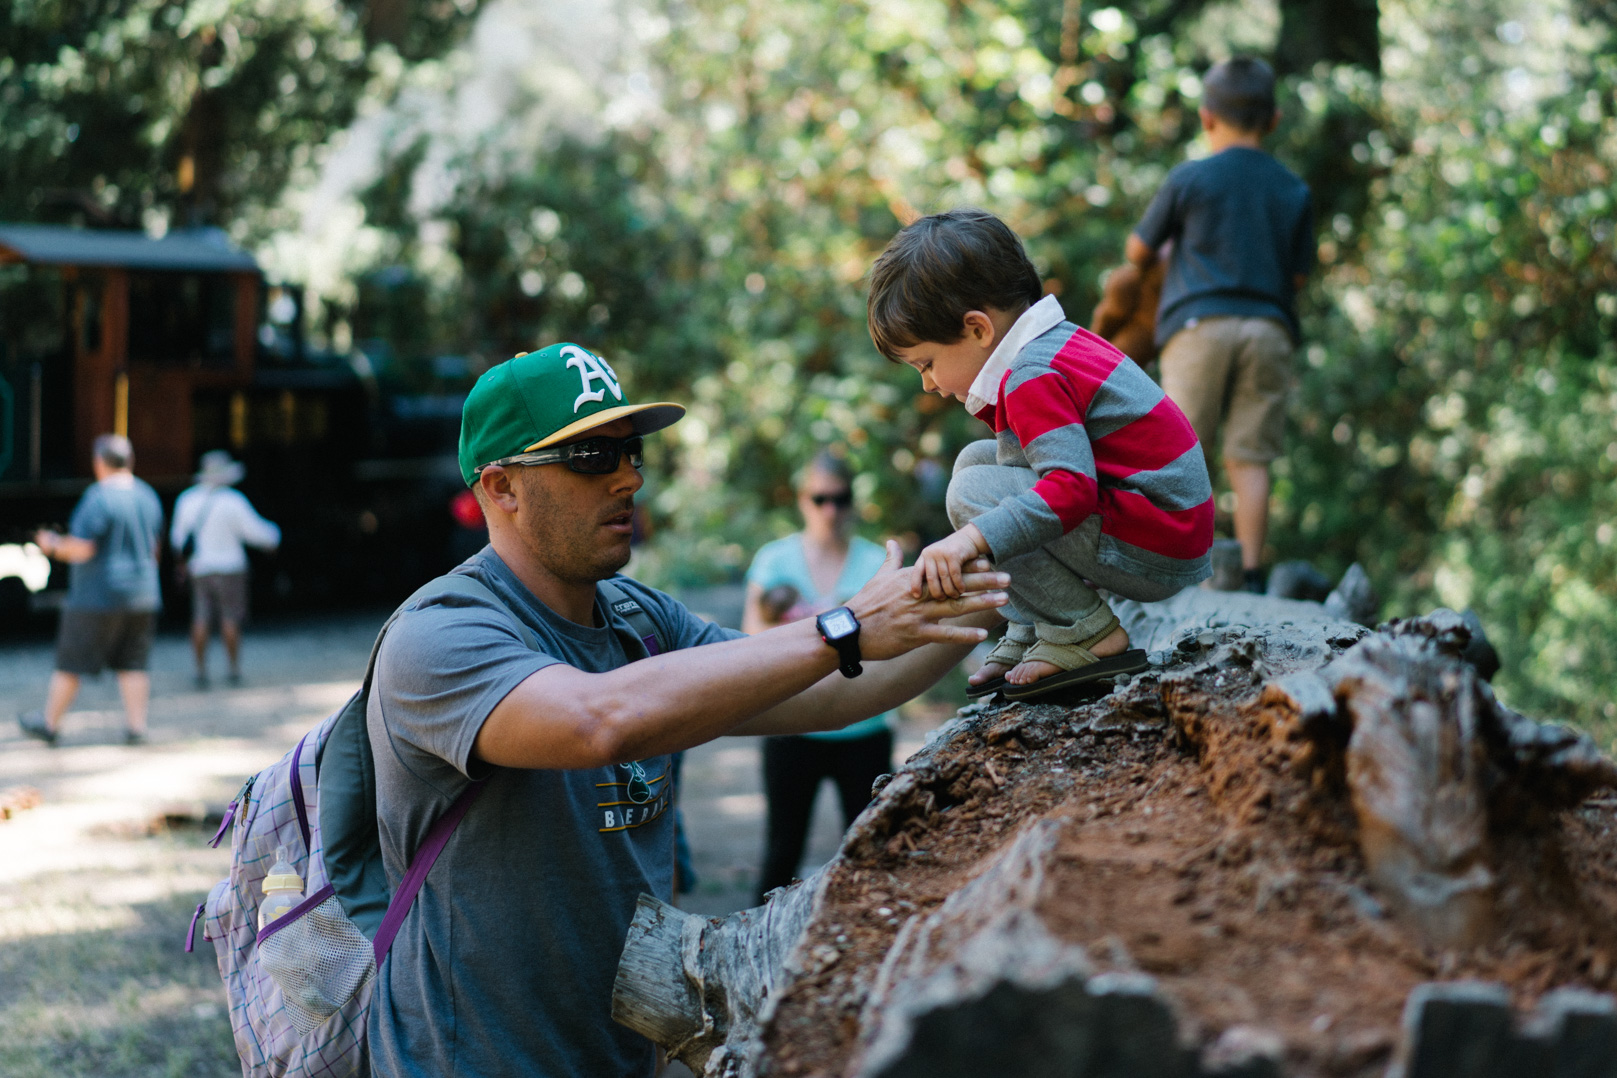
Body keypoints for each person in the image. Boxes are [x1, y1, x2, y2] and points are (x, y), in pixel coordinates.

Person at [366, 343, 1008, 1078]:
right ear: (503, 486)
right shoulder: (439, 633)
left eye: (630, 451)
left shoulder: (641, 620)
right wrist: (842, 627)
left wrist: (1002, 588)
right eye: (590, 457)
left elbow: (830, 689)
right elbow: (596, 721)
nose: (628, 477)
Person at [867, 208, 1215, 701]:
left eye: (926, 363)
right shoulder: (1049, 347)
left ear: (977, 330)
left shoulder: (1033, 373)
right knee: (974, 463)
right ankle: (1037, 625)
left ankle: (1085, 631)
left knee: (973, 492)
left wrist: (970, 540)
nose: (928, 383)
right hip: (1156, 527)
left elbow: (1070, 490)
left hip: (1156, 540)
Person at [1125, 56, 1315, 593]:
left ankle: (1173, 568)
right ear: (1274, 120)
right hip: (1269, 328)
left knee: (1180, 448)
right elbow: (1297, 277)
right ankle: (1250, 572)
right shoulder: (1293, 190)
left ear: (1207, 118)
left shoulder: (1190, 178)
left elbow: (1138, 250)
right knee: (1250, 456)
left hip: (1197, 326)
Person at [743, 452, 896, 902]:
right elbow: (752, 638)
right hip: (792, 727)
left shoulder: (876, 561)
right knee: (781, 852)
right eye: (820, 498)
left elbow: (894, 643)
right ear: (802, 500)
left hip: (864, 727)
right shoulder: (774, 559)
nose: (831, 510)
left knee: (872, 854)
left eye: (841, 499)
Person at [19, 434, 163, 746]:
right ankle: (136, 727)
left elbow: (83, 548)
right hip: (143, 593)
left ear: (99, 463)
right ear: (130, 461)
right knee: (133, 662)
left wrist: (52, 546)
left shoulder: (98, 497)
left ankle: (49, 724)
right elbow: (155, 549)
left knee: (71, 662)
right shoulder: (147, 495)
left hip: (98, 595)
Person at [170, 449, 281, 687]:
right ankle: (233, 670)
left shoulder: (187, 500)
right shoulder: (234, 501)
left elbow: (177, 540)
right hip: (231, 568)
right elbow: (256, 532)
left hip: (199, 568)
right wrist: (274, 537)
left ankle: (200, 671)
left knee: (200, 618)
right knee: (230, 619)